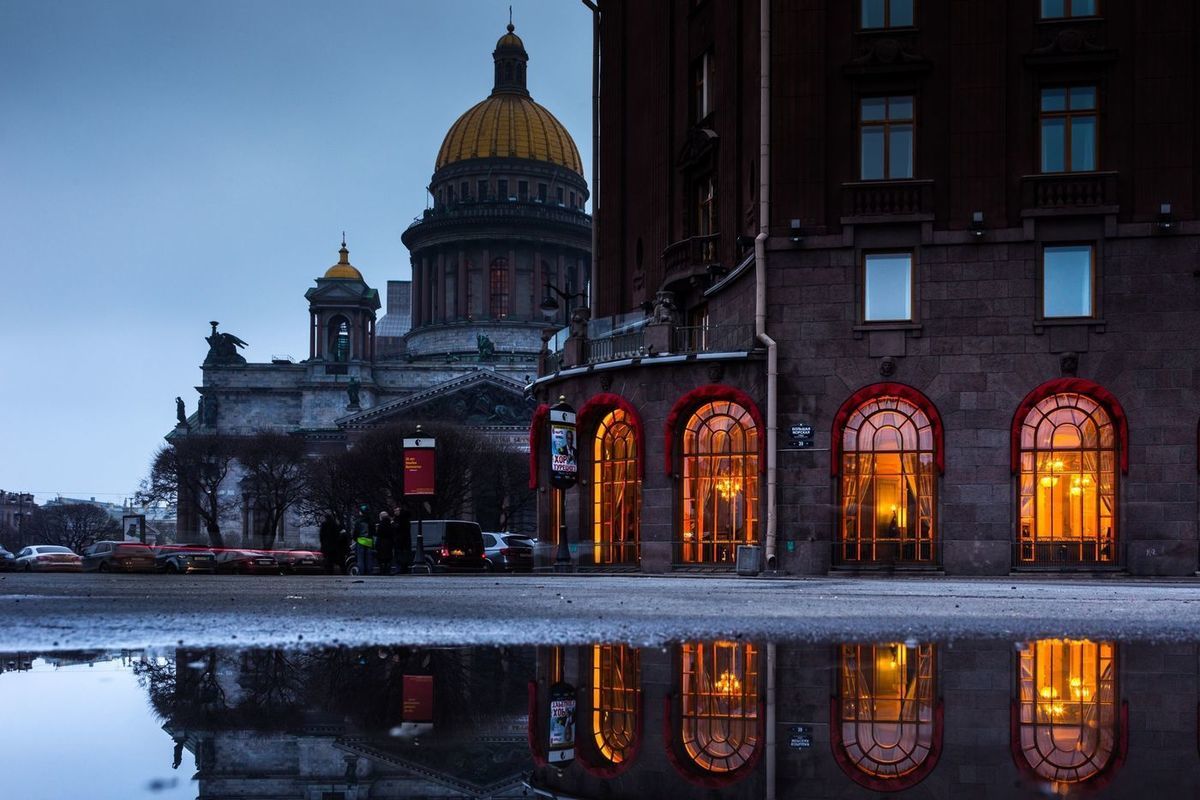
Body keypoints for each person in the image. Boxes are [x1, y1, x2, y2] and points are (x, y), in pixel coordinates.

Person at [353, 505, 376, 575]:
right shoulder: (371, 521)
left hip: (361, 540)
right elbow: (373, 531)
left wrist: (355, 539)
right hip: (368, 540)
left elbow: (355, 532)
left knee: (360, 558)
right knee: (368, 558)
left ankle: (361, 572)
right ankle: (369, 572)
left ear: (361, 512)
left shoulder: (358, 521)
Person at [393, 504, 413, 574]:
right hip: (405, 541)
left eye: (396, 510)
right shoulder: (406, 519)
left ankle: (400, 569)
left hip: (400, 541)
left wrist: (393, 524)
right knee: (404, 556)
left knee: (400, 556)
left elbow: (397, 528)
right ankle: (404, 568)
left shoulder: (399, 520)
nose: (394, 512)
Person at [375, 511, 395, 576]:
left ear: (381, 517)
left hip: (381, 544)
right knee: (388, 559)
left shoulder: (380, 525)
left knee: (381, 559)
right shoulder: (390, 524)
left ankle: (382, 571)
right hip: (389, 543)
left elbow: (378, 535)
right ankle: (387, 571)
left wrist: (376, 545)